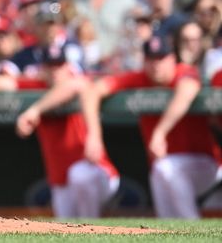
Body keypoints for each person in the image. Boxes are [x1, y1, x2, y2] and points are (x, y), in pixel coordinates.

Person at [0, 42, 119, 218]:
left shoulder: (76, 81)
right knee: (64, 228)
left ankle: (92, 229)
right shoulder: (38, 85)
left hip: (97, 171)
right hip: (60, 180)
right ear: (42, 67)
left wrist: (35, 110)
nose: (55, 71)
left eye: (59, 65)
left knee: (80, 175)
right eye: (50, 66)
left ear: (67, 66)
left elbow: (74, 85)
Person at [81, 34, 222, 218]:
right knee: (159, 171)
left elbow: (188, 89)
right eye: (151, 59)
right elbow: (93, 90)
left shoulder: (184, 71)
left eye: (161, 58)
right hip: (167, 168)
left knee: (165, 168)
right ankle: (168, 233)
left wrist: (160, 132)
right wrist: (93, 134)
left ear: (172, 58)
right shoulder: (140, 78)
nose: (156, 64)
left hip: (207, 164)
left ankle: (192, 227)